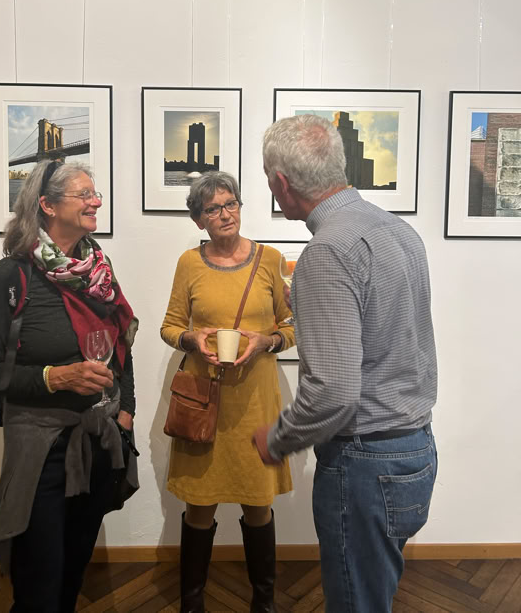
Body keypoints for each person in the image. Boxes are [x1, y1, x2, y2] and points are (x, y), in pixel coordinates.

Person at [253, 115, 438, 613]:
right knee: (376, 594)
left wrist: (278, 438)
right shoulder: (398, 230)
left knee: (357, 603)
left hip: (365, 464)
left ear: (281, 183)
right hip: (415, 448)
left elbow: (332, 393)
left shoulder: (328, 251)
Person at [0, 159, 139, 613]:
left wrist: (126, 411)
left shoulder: (98, 269)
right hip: (40, 449)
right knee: (38, 583)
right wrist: (56, 377)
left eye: (95, 193)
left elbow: (121, 343)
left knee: (72, 574)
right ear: (47, 205)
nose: (96, 201)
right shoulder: (11, 275)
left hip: (98, 442)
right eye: (84, 194)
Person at [160, 171, 295, 613]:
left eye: (230, 203)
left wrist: (266, 342)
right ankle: (192, 604)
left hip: (256, 403)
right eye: (213, 208)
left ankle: (264, 603)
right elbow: (170, 326)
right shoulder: (189, 263)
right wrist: (192, 340)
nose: (224, 214)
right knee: (200, 507)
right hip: (205, 401)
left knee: (258, 505)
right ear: (199, 220)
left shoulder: (269, 259)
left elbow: (291, 325)